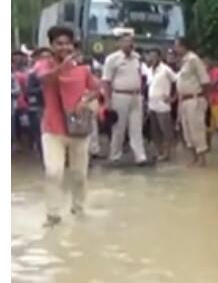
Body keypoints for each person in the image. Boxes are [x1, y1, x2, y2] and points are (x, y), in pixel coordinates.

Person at [34, 25, 100, 227]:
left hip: (79, 130)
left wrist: (85, 100)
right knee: (54, 172)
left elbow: (96, 90)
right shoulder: (43, 65)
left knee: (79, 175)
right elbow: (43, 79)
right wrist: (63, 66)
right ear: (52, 46)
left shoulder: (84, 69)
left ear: (73, 45)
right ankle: (53, 215)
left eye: (67, 43)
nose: (64, 47)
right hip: (53, 129)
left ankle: (78, 209)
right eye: (59, 44)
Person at [102, 34, 148, 166]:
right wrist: (107, 101)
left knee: (137, 127)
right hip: (120, 95)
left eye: (131, 41)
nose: (128, 44)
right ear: (119, 43)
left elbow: (141, 76)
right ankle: (115, 155)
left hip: (136, 95)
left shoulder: (137, 58)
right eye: (125, 41)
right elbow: (106, 81)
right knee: (119, 127)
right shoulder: (112, 59)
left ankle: (140, 156)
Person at [174, 37, 211, 167]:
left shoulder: (194, 59)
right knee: (187, 131)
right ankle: (193, 158)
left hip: (195, 99)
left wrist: (205, 99)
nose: (175, 49)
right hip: (184, 100)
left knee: (197, 129)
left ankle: (202, 159)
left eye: (177, 46)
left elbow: (205, 81)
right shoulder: (182, 62)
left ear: (184, 46)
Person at [147, 48, 177, 161]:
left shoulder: (166, 69)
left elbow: (177, 81)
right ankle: (159, 152)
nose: (153, 58)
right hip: (152, 105)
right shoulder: (149, 70)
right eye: (151, 56)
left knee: (166, 131)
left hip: (163, 105)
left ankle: (167, 153)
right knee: (155, 132)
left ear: (159, 57)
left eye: (155, 56)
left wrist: (173, 97)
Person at [26, 48, 54, 156]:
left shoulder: (55, 71)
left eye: (49, 56)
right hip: (38, 107)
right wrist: (42, 88)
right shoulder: (33, 74)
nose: (47, 59)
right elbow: (29, 90)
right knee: (41, 134)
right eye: (44, 57)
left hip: (52, 107)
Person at [204, 57, 218, 152]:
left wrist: (207, 85)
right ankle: (208, 145)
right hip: (207, 102)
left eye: (208, 61)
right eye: (205, 62)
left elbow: (215, 84)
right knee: (208, 125)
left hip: (217, 101)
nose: (206, 64)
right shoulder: (203, 73)